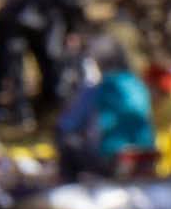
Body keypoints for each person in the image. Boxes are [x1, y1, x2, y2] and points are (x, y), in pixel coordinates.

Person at [54, 33, 157, 181]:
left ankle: (69, 189)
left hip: (111, 158)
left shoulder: (98, 88)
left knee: (68, 143)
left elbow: (68, 124)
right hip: (146, 156)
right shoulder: (138, 83)